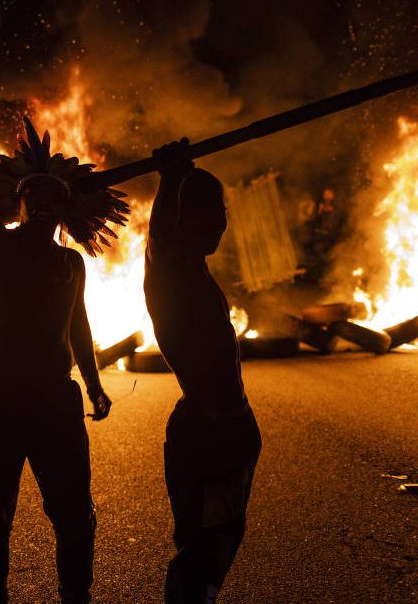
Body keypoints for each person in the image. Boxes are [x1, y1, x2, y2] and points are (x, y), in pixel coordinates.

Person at [0, 98, 128, 604]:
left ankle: (75, 597)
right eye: (32, 194)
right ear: (17, 204)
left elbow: (78, 326)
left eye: (52, 196)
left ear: (65, 209)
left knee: (74, 514)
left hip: (54, 401)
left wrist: (94, 384)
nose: (41, 202)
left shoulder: (72, 265)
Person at [144, 140, 262, 604]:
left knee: (215, 542)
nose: (219, 223)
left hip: (226, 430)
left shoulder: (193, 270)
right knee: (203, 548)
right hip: (208, 433)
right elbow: (159, 241)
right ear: (181, 218)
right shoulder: (170, 270)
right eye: (207, 211)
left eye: (221, 211)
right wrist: (170, 180)